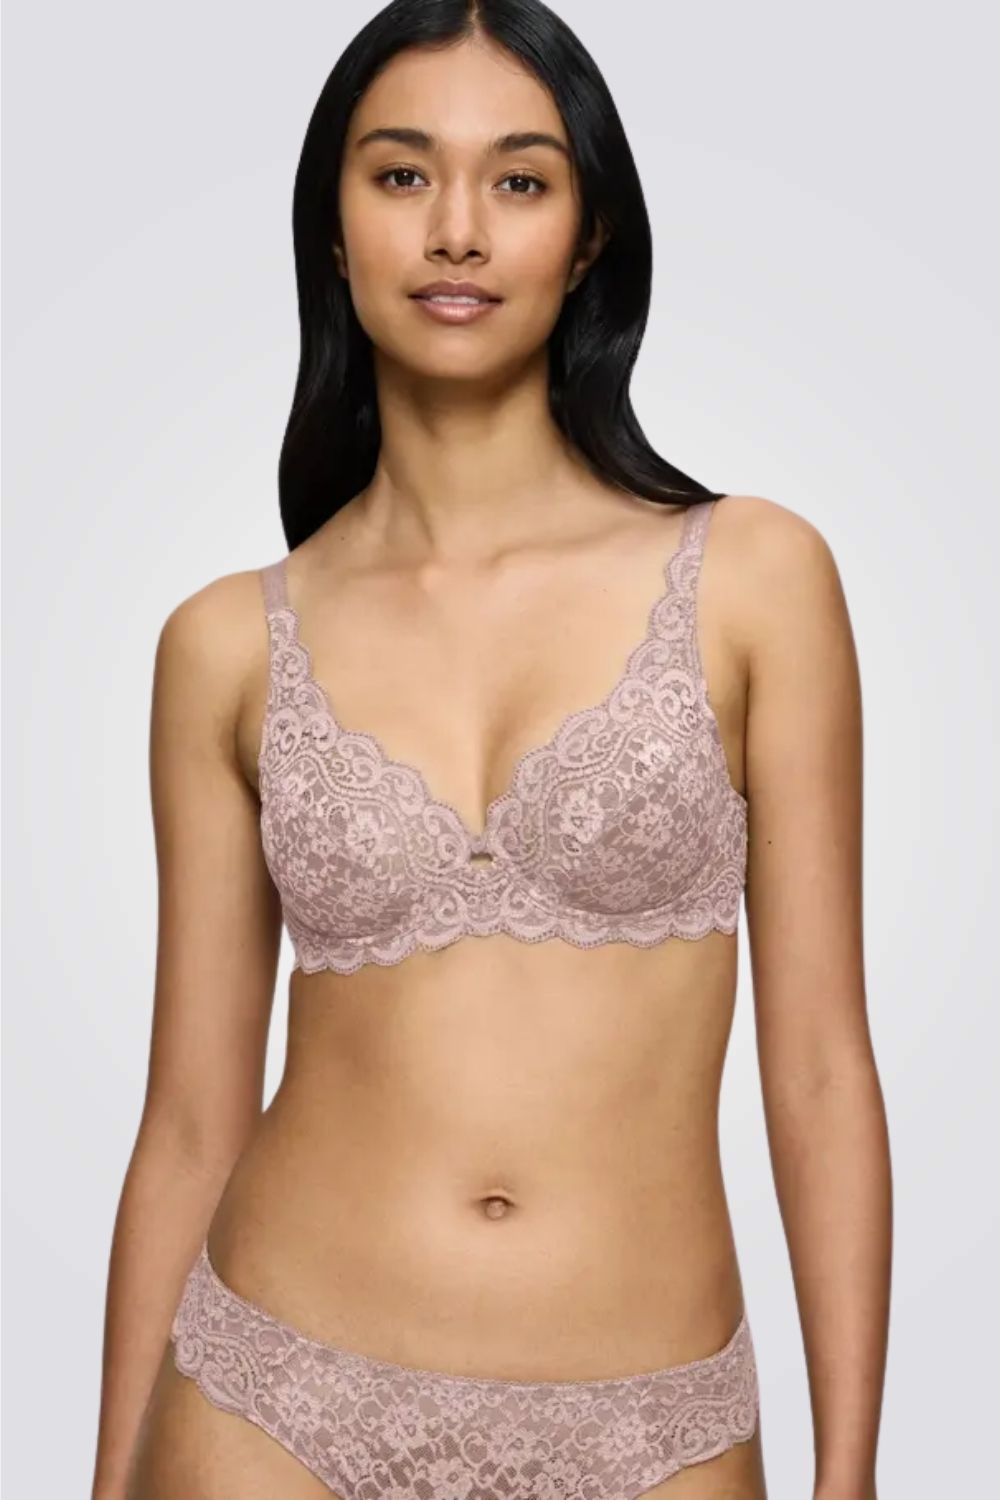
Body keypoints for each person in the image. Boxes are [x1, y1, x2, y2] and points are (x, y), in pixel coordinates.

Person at [91, 3, 892, 1498]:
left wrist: (848, 1476)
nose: (455, 228)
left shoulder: (755, 579)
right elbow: (191, 1121)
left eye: (520, 180)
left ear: (589, 240)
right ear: (333, 228)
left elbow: (824, 1074)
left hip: (648, 1427)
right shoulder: (224, 645)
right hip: (270, 1401)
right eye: (401, 175)